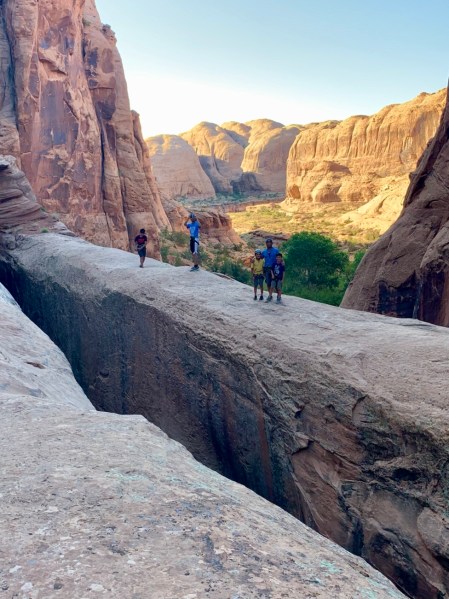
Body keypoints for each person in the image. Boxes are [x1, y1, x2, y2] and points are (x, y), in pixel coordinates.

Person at [262, 238, 279, 302]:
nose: (268, 244)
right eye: (267, 243)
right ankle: (270, 295)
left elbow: (279, 258)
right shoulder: (264, 252)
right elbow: (259, 258)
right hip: (267, 269)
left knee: (276, 283)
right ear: (266, 244)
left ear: (272, 243)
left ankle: (278, 296)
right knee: (268, 283)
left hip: (274, 269)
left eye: (270, 242)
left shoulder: (276, 250)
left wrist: (282, 263)